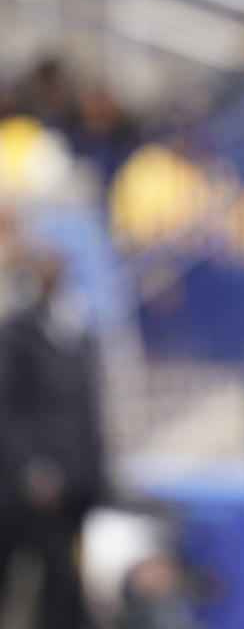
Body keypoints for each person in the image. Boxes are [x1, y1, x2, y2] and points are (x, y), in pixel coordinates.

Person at [0, 248, 105, 629]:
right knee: (34, 578)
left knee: (64, 589)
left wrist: (95, 471)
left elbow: (85, 410)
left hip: (74, 483)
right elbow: (7, 409)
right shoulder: (16, 333)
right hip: (34, 488)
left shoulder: (73, 331)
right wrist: (31, 467)